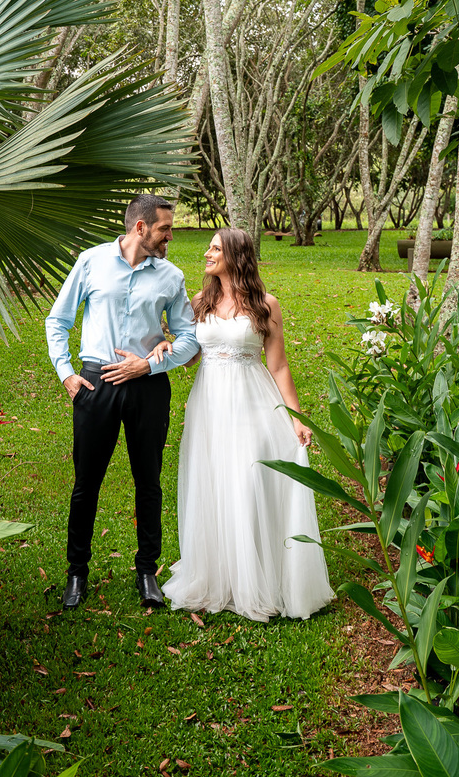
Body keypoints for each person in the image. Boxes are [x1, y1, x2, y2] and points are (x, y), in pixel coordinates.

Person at [155, 228, 333, 622]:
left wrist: (295, 417)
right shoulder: (200, 302)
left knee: (249, 481)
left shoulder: (265, 305)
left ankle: (260, 576)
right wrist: (168, 345)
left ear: (236, 256)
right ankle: (220, 574)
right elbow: (189, 357)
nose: (207, 253)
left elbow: (279, 365)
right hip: (209, 406)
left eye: (215, 248)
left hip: (253, 403)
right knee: (214, 481)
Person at [45, 194, 199, 610]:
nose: (171, 236)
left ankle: (147, 571)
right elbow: (58, 320)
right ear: (140, 228)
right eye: (165, 228)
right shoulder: (91, 261)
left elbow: (189, 338)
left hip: (148, 387)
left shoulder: (171, 277)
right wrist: (67, 374)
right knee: (86, 484)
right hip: (95, 386)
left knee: (148, 481)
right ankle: (76, 574)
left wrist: (147, 367)